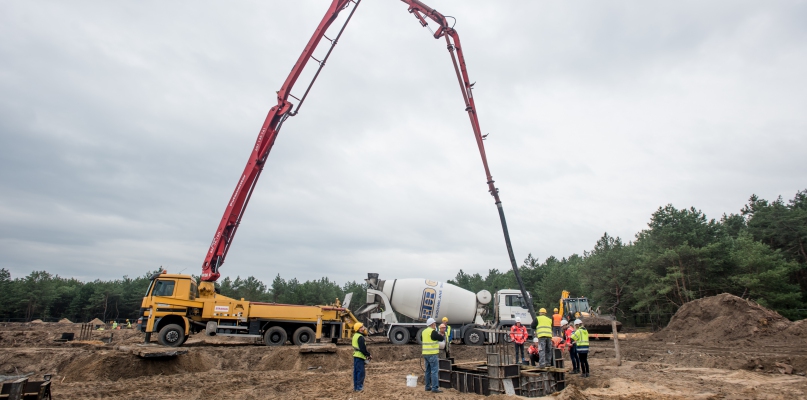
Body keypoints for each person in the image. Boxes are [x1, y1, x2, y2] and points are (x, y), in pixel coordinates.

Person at [422, 317, 445, 393]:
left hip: (425, 354)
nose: (435, 325)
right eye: (434, 324)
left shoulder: (424, 331)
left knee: (427, 371)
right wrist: (441, 334)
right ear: (432, 324)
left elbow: (423, 339)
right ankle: (434, 388)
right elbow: (441, 339)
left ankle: (427, 386)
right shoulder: (433, 332)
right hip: (432, 354)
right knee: (434, 371)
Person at [352, 322, 372, 392]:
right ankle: (359, 388)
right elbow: (362, 348)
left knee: (356, 372)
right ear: (359, 329)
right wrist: (368, 354)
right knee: (361, 372)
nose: (364, 328)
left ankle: (356, 387)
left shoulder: (355, 336)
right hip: (359, 356)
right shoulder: (360, 337)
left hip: (356, 356)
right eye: (362, 327)